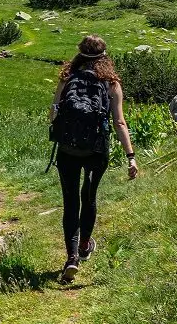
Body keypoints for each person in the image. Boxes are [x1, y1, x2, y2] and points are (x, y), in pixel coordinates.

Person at [49, 35, 138, 284]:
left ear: (79, 54)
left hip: (68, 150)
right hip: (96, 150)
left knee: (70, 202)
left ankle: (72, 258)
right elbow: (119, 122)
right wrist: (131, 157)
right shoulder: (111, 82)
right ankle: (86, 244)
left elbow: (53, 114)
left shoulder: (67, 78)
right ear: (104, 56)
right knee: (89, 196)